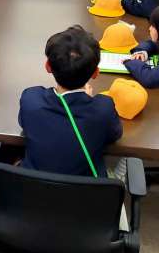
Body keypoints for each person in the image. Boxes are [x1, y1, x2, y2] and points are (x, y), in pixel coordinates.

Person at [19, 25, 122, 176]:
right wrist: (87, 100)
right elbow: (114, 135)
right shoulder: (103, 108)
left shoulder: (31, 99)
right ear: (95, 73)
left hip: (30, 189)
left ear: (47, 66)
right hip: (85, 190)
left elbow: (24, 123)